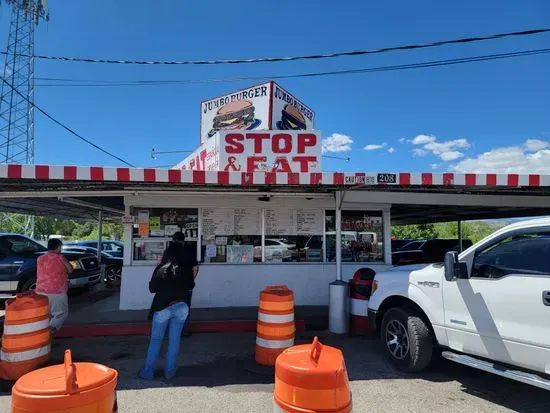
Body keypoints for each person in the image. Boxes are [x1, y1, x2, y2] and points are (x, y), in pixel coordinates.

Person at [139, 232, 199, 380]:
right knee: (174, 340)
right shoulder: (186, 270)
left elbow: (152, 288)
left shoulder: (161, 269)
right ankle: (170, 372)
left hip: (162, 308)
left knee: (156, 340)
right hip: (182, 307)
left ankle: (148, 372)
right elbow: (191, 284)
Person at [36, 238, 74, 333]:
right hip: (57, 291)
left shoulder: (40, 258)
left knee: (46, 314)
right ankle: (49, 332)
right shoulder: (60, 257)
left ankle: (41, 334)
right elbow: (70, 269)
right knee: (61, 313)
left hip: (41, 291)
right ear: (58, 247)